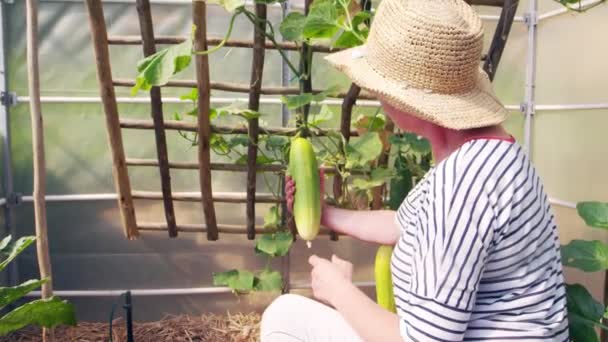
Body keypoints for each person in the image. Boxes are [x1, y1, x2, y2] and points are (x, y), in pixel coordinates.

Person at [260, 0, 569, 340]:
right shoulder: (490, 155)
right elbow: (406, 223)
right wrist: (326, 215)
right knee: (286, 314)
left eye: (378, 87)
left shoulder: (462, 187)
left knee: (285, 322)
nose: (377, 96)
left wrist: (340, 292)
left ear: (407, 102)